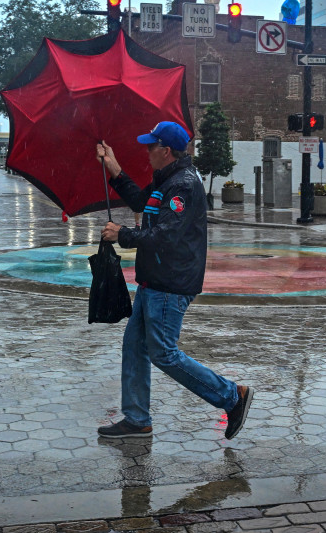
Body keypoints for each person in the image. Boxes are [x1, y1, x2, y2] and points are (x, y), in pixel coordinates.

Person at [95, 121, 253, 440]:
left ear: (166, 151)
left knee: (164, 353)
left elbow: (165, 235)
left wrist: (122, 234)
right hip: (153, 281)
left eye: (151, 147)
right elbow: (142, 203)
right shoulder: (166, 179)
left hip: (170, 284)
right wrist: (113, 167)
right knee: (135, 347)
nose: (147, 152)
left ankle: (232, 396)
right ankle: (137, 418)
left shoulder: (182, 185)